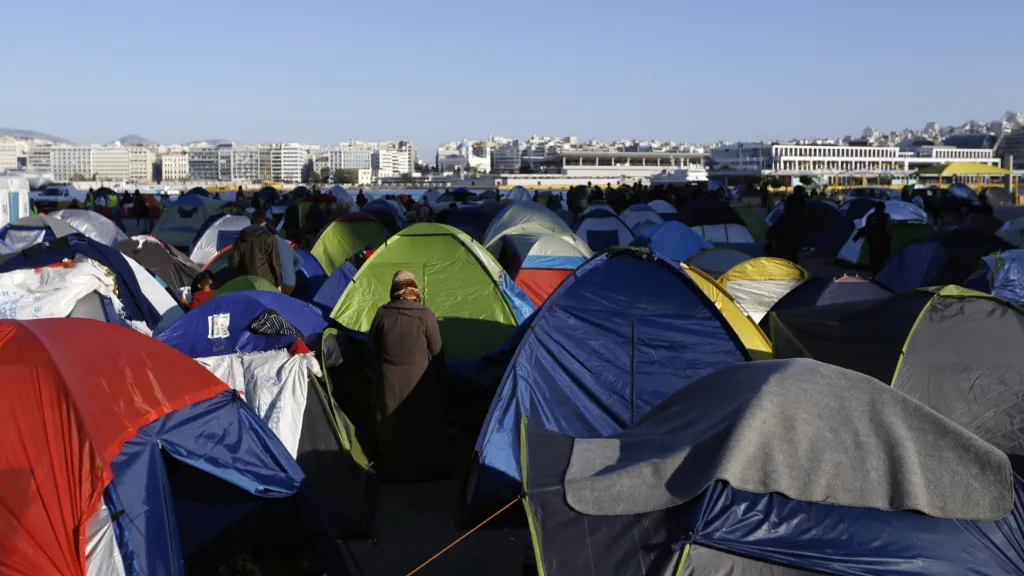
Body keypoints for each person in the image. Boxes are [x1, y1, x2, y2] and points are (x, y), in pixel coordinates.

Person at [368, 270, 446, 480]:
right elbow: (437, 351)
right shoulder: (425, 315)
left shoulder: (382, 313)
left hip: (388, 384)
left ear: (394, 289)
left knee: (391, 427)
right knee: (420, 425)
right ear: (414, 289)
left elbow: (373, 348)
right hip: (419, 383)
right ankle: (422, 471)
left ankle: (392, 471)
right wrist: (442, 380)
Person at [230, 212, 283, 290]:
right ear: (264, 223)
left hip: (247, 280)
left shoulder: (240, 238)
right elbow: (274, 261)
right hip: (266, 281)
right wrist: (279, 283)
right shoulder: (269, 237)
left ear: (251, 222)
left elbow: (234, 262)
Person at [854, 202, 893, 277]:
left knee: (874, 258)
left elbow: (867, 228)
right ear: (883, 208)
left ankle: (874, 273)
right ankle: (880, 274)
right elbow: (888, 229)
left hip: (872, 242)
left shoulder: (870, 217)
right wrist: (890, 238)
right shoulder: (886, 216)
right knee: (882, 257)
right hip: (883, 242)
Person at [766, 193, 805, 264]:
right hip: (795, 253)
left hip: (783, 252)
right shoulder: (803, 219)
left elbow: (769, 234)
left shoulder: (783, 218)